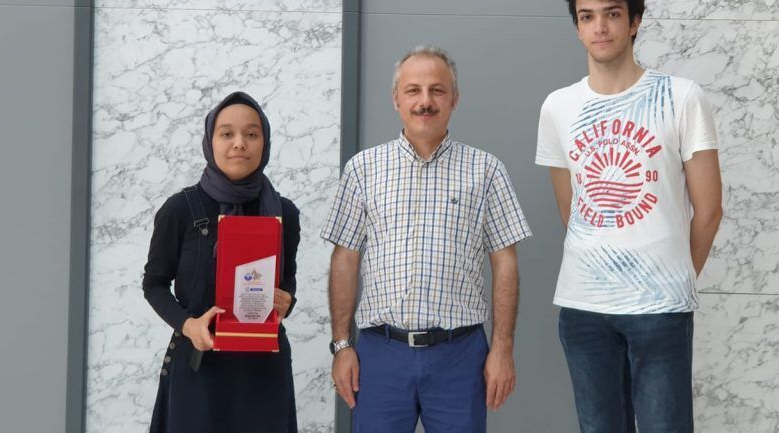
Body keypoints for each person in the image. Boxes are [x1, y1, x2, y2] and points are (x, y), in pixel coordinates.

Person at [535, 0, 724, 433]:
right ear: (577, 26)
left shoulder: (681, 97)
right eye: (587, 16)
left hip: (659, 306)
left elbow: (709, 209)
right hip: (583, 305)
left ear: (635, 21)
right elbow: (571, 209)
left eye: (612, 14)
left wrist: (676, 277)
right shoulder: (558, 107)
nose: (599, 27)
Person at [322, 45, 532, 433]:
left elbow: (505, 261)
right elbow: (345, 259)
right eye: (413, 90)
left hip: (460, 356)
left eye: (437, 90)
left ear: (454, 98)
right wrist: (341, 345)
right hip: (380, 355)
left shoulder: (486, 170)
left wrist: (502, 348)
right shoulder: (363, 170)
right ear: (396, 99)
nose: (425, 101)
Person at [142, 92, 301, 433]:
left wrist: (287, 299)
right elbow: (154, 284)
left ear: (265, 142)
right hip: (199, 365)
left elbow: (287, 278)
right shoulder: (181, 209)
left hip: (263, 372)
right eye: (227, 133)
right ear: (210, 141)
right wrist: (188, 325)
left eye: (252, 134)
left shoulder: (284, 212)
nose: (239, 143)